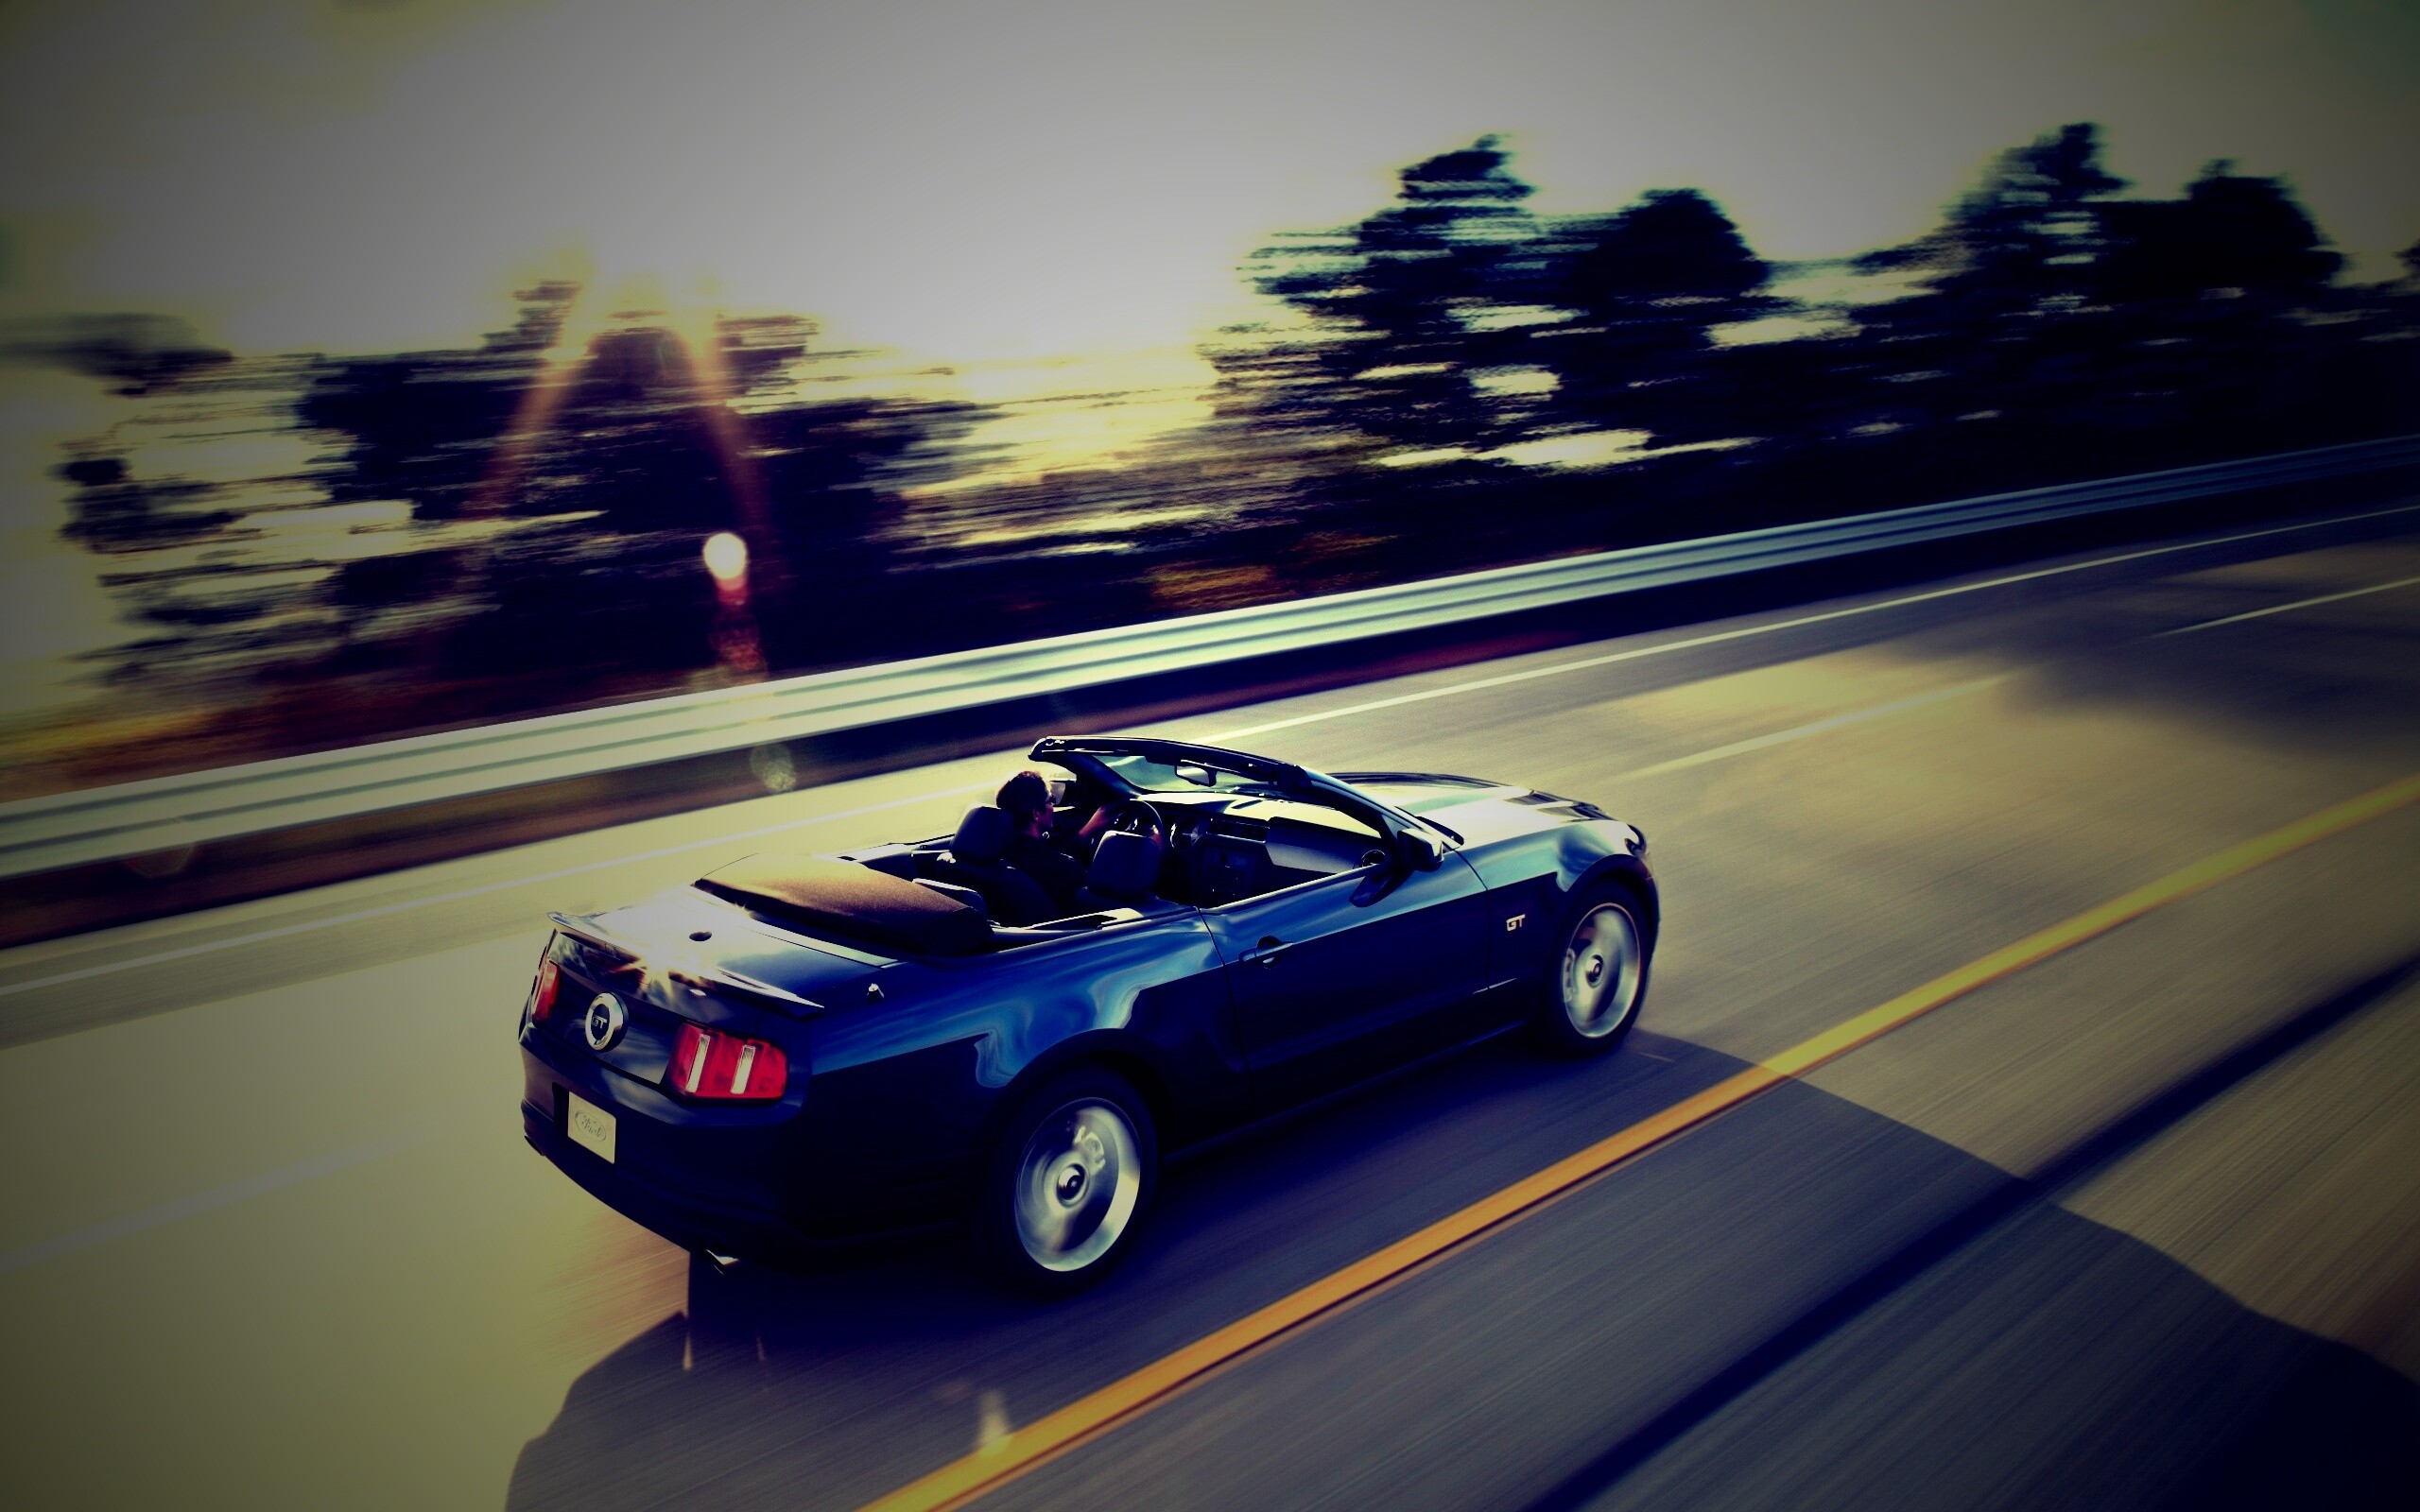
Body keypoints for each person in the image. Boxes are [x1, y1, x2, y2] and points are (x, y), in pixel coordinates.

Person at [995, 768, 1153, 914]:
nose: (1053, 807)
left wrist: (1087, 830)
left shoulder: (1001, 852)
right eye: (1050, 800)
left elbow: (1052, 855)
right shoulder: (1061, 868)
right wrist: (1151, 849)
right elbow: (1113, 889)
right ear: (1036, 814)